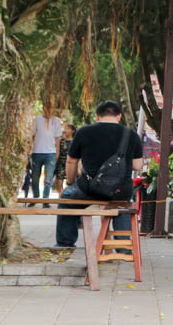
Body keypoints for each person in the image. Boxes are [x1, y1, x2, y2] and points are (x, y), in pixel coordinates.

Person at [53, 100, 144, 250]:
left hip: (89, 189)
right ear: (119, 116)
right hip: (120, 190)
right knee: (121, 205)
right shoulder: (131, 135)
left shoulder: (83, 132)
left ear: (97, 116)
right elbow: (137, 165)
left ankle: (65, 244)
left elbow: (71, 162)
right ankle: (124, 248)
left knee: (66, 199)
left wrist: (70, 183)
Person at [29, 104, 63, 200]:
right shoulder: (37, 119)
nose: (49, 110)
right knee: (35, 178)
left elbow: (57, 138)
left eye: (51, 108)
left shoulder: (56, 120)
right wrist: (29, 149)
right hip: (37, 152)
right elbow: (32, 135)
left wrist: (57, 152)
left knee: (48, 179)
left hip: (50, 153)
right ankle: (35, 197)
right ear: (44, 108)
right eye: (47, 108)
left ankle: (45, 199)